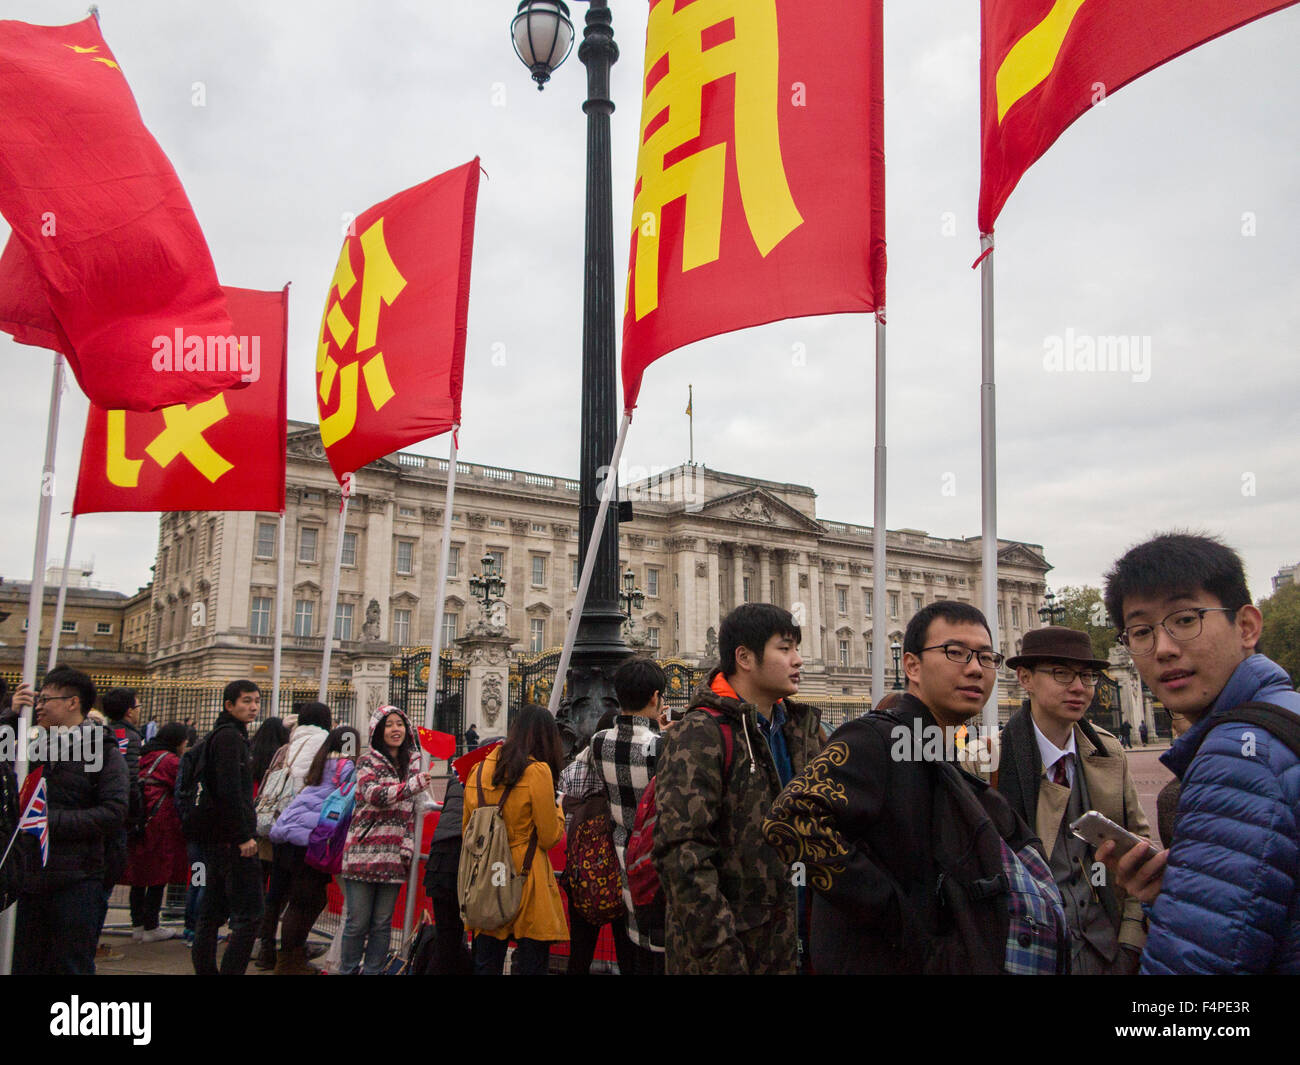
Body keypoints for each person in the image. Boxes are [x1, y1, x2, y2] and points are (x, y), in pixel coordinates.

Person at [763, 602, 1066, 975]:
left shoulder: (937, 746)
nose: (975, 668)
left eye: (987, 657)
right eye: (955, 653)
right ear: (912, 666)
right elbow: (790, 819)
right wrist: (896, 915)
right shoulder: (875, 737)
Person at [1099, 532, 1300, 974]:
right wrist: (1178, 896)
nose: (1164, 648)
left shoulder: (1239, 755)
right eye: (1141, 631)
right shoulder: (1285, 714)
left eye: (1186, 619)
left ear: (1246, 626)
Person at [653, 603, 824, 975]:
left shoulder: (803, 731)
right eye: (785, 648)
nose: (798, 660)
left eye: (796, 647)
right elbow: (682, 855)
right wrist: (722, 955)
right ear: (744, 657)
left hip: (798, 947)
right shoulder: (698, 734)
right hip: (730, 957)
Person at [997, 626, 1151, 974]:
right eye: (1061, 673)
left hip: (1107, 952)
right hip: (1027, 956)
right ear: (1025, 678)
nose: (1079, 687)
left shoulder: (1110, 752)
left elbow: (1140, 851)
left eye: (1087, 676)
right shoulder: (985, 761)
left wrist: (1129, 943)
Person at [11, 666, 128, 975]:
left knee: (69, 964)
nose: (38, 705)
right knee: (23, 963)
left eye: (46, 699)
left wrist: (47, 821)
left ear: (73, 703)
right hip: (29, 877)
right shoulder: (34, 745)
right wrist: (11, 718)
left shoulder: (103, 751)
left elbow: (114, 812)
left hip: (77, 879)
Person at [462, 703, 567, 975]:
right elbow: (549, 837)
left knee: (486, 962)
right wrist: (559, 808)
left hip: (489, 876)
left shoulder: (478, 769)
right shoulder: (538, 772)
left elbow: (468, 831)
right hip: (525, 875)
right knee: (531, 964)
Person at [588, 658, 672, 975]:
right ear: (655, 697)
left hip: (623, 858)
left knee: (636, 950)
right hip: (656, 866)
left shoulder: (598, 743)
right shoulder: (663, 747)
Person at [338, 705, 430, 975]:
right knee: (357, 922)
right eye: (389, 724)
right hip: (363, 853)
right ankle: (348, 970)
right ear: (378, 730)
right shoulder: (367, 762)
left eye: (400, 724)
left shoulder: (413, 763)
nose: (395, 729)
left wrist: (409, 843)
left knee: (382, 922)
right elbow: (374, 795)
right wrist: (411, 786)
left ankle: (373, 971)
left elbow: (414, 810)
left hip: (393, 855)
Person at [269, 725, 360, 974]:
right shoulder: (348, 767)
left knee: (307, 899)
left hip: (290, 833)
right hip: (310, 838)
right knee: (303, 901)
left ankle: (290, 956)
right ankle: (288, 962)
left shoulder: (321, 762)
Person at [191, 679, 265, 976]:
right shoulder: (230, 738)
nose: (253, 707)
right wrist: (243, 835)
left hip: (215, 837)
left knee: (211, 912)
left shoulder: (222, 735)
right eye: (246, 701)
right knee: (249, 916)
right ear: (229, 705)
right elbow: (230, 790)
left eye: (257, 701)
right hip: (231, 840)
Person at [253, 703, 330, 970]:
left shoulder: (288, 745)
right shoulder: (324, 743)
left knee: (277, 892)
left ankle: (266, 949)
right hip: (304, 827)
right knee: (306, 897)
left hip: (278, 824)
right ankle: (292, 954)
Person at [557, 709, 617, 975]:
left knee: (579, 952)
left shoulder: (572, 770)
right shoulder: (618, 767)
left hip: (580, 869)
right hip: (616, 868)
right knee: (627, 950)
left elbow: (565, 825)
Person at [122, 723, 191, 943]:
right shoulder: (170, 761)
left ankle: (138, 925)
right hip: (161, 820)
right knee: (158, 873)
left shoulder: (144, 755)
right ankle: (152, 924)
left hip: (140, 818)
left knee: (138, 875)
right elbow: (182, 786)